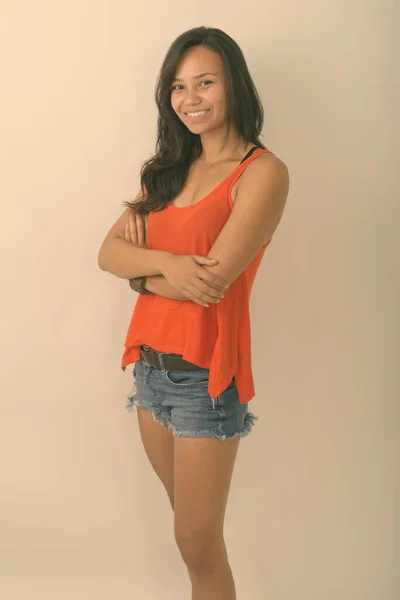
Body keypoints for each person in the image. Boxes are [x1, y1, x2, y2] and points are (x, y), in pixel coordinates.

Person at [98, 25, 289, 600]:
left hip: (205, 378)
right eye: (179, 87)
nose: (191, 99)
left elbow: (211, 283)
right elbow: (108, 253)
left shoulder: (261, 172)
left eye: (205, 82)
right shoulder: (165, 170)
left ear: (234, 86)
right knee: (191, 538)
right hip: (149, 371)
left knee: (197, 544)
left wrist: (148, 272)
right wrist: (159, 266)